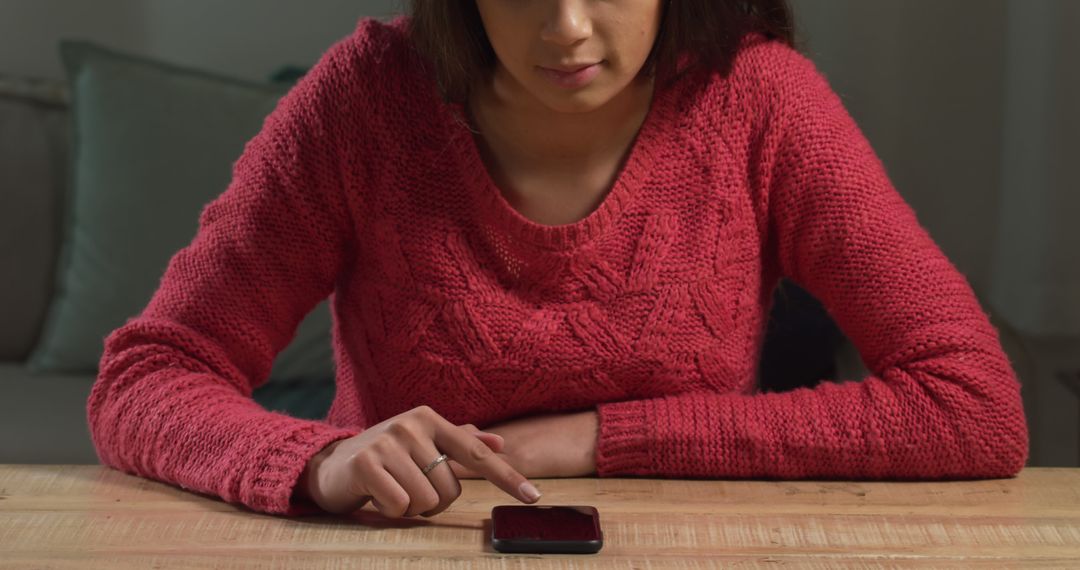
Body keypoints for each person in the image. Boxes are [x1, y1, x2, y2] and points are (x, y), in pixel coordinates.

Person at [87, 0, 1029, 520]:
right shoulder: (363, 103)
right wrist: (321, 461)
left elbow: (973, 403)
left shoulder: (762, 100)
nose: (568, 27)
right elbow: (147, 376)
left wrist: (588, 440)